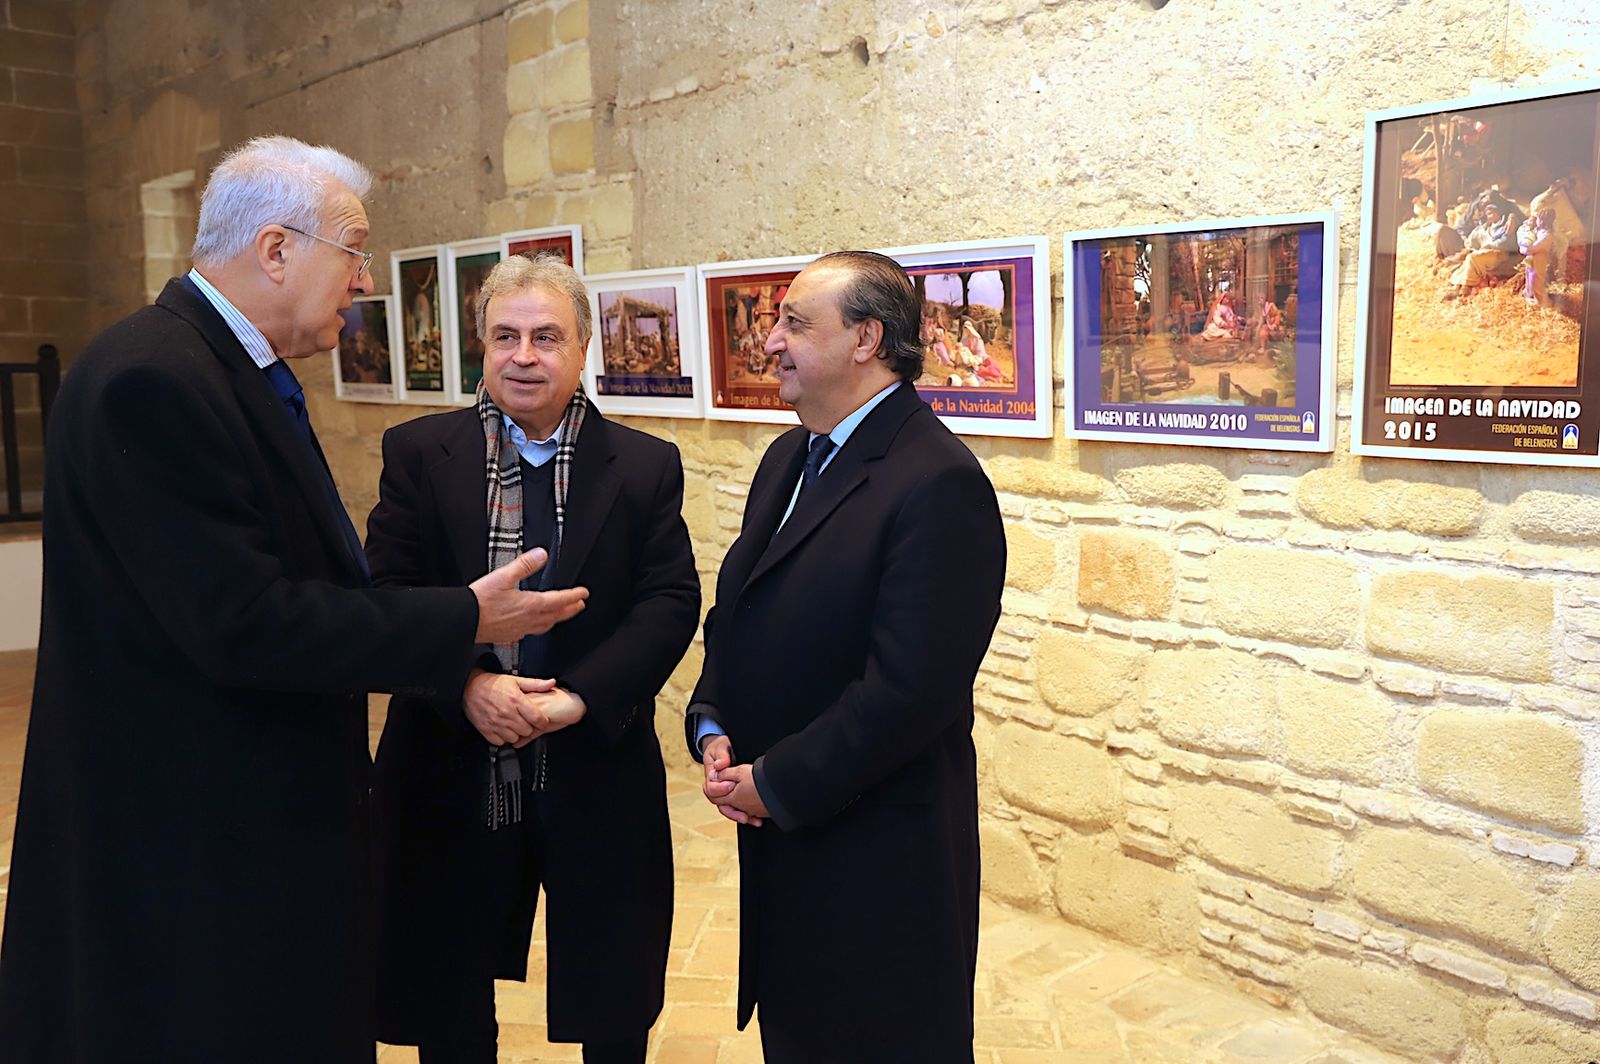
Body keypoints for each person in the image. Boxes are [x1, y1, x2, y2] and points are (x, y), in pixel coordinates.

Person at [0, 136, 588, 1062]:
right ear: (276, 249)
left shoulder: (220, 369)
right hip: (199, 844)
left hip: (242, 825)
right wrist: (464, 617)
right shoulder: (155, 378)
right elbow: (247, 622)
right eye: (354, 254)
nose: (364, 283)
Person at [365, 254, 699, 1064]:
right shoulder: (417, 453)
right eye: (505, 335)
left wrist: (576, 698)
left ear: (583, 347)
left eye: (546, 337)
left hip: (595, 763)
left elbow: (669, 603)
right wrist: (469, 683)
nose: (524, 355)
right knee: (447, 988)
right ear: (480, 344)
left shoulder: (645, 465)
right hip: (448, 760)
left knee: (612, 991)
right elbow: (386, 596)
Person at [686, 250, 1006, 1061]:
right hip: (787, 842)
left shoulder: (937, 481)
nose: (770, 342)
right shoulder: (788, 457)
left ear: (866, 339)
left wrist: (776, 783)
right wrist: (712, 718)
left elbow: (908, 693)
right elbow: (739, 610)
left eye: (795, 323)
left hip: (877, 862)